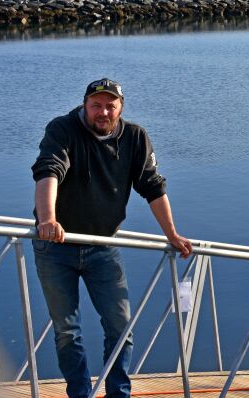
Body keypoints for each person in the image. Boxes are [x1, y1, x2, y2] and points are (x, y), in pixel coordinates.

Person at [31, 78, 191, 398]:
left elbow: (153, 187)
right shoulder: (62, 129)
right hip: (55, 247)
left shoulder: (134, 137)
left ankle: (118, 392)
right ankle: (80, 393)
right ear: (85, 105)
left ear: (120, 108)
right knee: (67, 331)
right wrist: (48, 219)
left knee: (121, 327)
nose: (103, 112)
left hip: (103, 246)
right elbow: (49, 171)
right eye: (96, 105)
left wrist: (171, 234)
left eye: (110, 106)